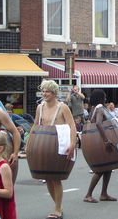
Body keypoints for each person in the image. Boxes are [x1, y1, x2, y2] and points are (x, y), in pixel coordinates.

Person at [31, 79, 76, 219]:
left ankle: (57, 209)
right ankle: (58, 206)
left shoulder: (62, 107)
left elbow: (72, 126)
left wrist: (73, 144)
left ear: (55, 93)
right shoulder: (40, 107)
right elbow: (35, 124)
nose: (44, 94)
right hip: (44, 143)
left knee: (56, 178)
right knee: (48, 178)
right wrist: (29, 142)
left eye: (47, 92)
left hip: (60, 143)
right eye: (43, 91)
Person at [83, 89, 118, 203]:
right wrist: (106, 140)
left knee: (108, 167)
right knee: (100, 169)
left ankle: (104, 193)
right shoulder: (99, 108)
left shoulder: (93, 108)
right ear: (100, 98)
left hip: (98, 138)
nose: (106, 99)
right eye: (104, 97)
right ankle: (88, 194)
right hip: (101, 139)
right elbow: (98, 123)